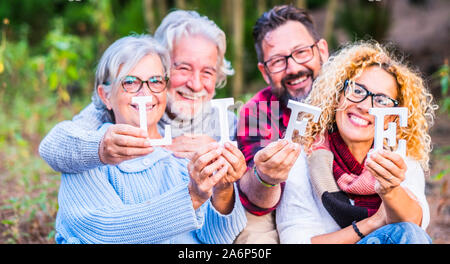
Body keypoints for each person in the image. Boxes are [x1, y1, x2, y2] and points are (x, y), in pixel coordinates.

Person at [55, 35, 246, 244]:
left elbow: (218, 239)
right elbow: (105, 234)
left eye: (155, 81)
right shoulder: (87, 156)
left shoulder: (185, 152)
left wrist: (224, 188)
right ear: (105, 96)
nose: (145, 93)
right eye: (130, 82)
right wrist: (191, 197)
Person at [39, 10, 246, 176]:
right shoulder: (127, 108)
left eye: (207, 72)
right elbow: (53, 146)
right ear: (159, 66)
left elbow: (249, 188)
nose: (195, 84)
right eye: (183, 68)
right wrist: (101, 148)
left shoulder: (226, 122)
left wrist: (221, 156)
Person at [276, 41, 435, 244]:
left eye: (382, 100)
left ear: (393, 117)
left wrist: (391, 190)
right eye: (357, 91)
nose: (366, 106)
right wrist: (373, 223)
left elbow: (414, 229)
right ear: (337, 96)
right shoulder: (302, 157)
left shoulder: (401, 161)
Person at [235, 4, 329, 243]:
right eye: (278, 61)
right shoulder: (258, 112)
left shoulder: (355, 98)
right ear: (265, 72)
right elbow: (257, 203)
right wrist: (265, 177)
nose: (294, 68)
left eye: (302, 52)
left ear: (322, 50)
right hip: (282, 215)